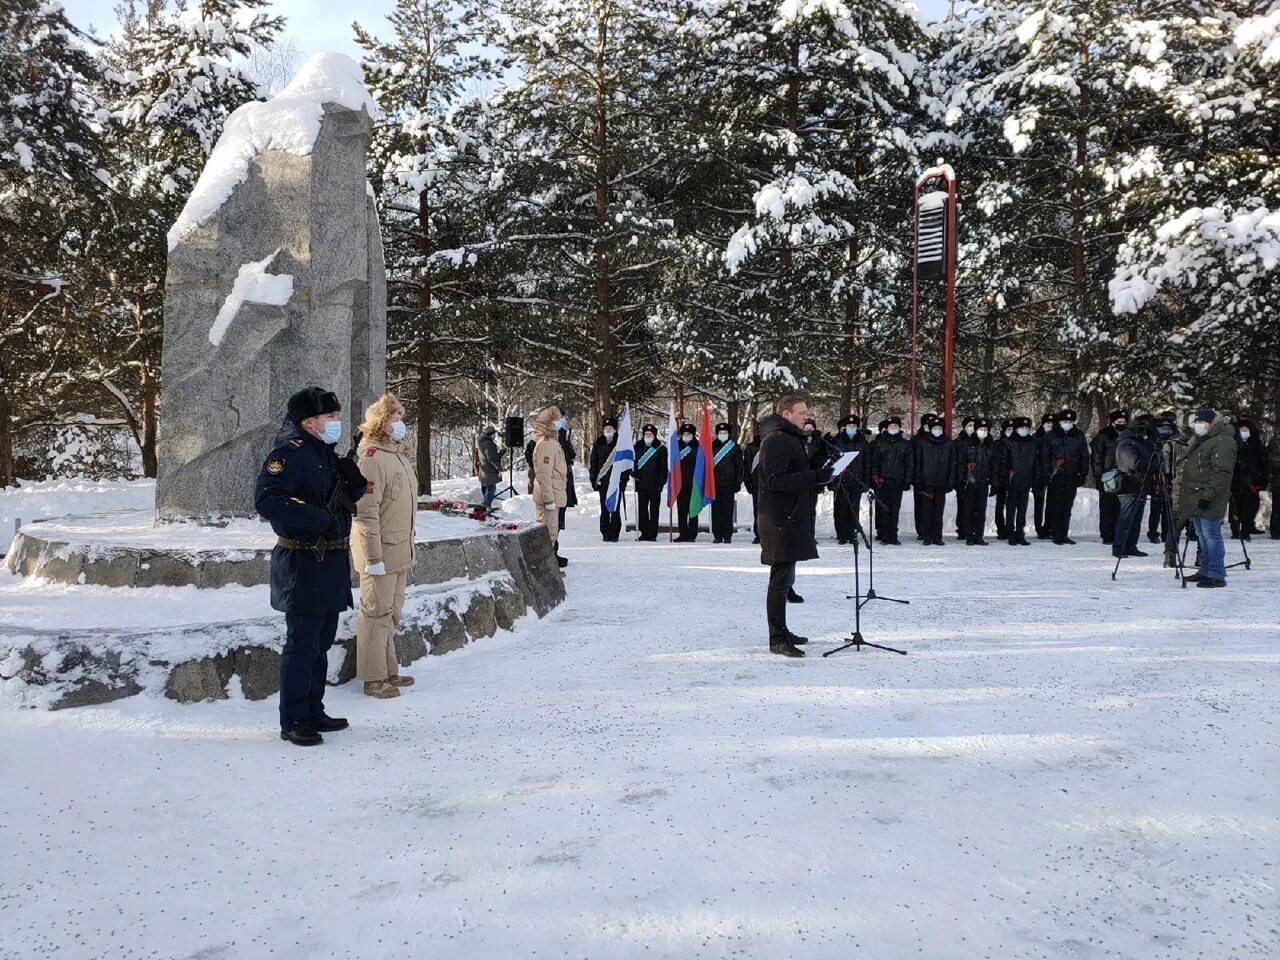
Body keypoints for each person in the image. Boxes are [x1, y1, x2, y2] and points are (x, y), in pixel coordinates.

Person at [255, 386, 368, 747]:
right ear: (308, 421)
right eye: (329, 417)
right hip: (302, 560)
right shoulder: (288, 454)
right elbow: (268, 500)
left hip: (330, 560)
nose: (336, 422)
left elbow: (336, 501)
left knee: (321, 644)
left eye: (336, 416)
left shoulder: (326, 454)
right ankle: (293, 718)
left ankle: (314, 709)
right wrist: (317, 519)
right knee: (301, 644)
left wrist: (355, 488)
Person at [351, 393, 419, 700]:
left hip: (399, 548)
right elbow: (366, 512)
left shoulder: (396, 454)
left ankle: (389, 671)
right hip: (380, 552)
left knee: (391, 614)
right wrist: (373, 556)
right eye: (395, 418)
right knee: (376, 614)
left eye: (401, 417)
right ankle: (373, 678)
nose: (401, 423)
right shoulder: (372, 458)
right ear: (381, 422)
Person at [757, 396, 834, 657]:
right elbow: (775, 480)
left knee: (786, 579)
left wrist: (820, 462)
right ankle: (777, 639)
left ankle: (783, 631)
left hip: (789, 517)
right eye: (801, 412)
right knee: (780, 580)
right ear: (786, 414)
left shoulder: (789, 437)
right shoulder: (777, 439)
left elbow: (797, 471)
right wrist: (816, 476)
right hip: (779, 519)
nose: (805, 416)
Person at [1177, 408, 1236, 587]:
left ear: (1212, 424)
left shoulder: (1223, 441)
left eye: (1203, 423)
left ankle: (1217, 574)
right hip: (1197, 494)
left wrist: (1208, 494)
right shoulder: (1204, 440)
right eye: (1198, 422)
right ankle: (1205, 570)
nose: (1199, 426)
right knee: (1202, 536)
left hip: (1210, 496)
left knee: (1211, 536)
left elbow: (1222, 472)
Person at [1111, 414, 1161, 560]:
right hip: (1128, 485)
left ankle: (1131, 545)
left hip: (1141, 484)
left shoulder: (1141, 442)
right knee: (1126, 518)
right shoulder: (1126, 443)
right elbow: (1135, 463)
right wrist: (1153, 466)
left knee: (1136, 518)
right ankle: (1119, 547)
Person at [530, 406, 570, 568]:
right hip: (550, 496)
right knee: (548, 533)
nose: (562, 422)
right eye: (558, 420)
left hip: (554, 493)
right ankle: (545, 568)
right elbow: (544, 474)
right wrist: (548, 500)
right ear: (550, 423)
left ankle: (548, 567)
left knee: (551, 532)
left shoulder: (551, 441)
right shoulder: (547, 444)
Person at [1042, 408, 1089, 545]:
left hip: (1072, 474)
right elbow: (1045, 457)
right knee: (1055, 505)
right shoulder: (1051, 436)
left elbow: (1084, 455)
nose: (1067, 423)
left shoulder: (1078, 435)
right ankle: (1055, 533)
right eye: (1064, 421)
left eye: (1070, 421)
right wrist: (1046, 473)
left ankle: (1064, 533)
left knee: (1067, 506)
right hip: (1056, 475)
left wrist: (1083, 473)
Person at [997, 416, 1038, 545]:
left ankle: (1020, 533)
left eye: (1026, 428)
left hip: (1026, 480)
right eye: (1021, 427)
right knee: (1011, 508)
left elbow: (1036, 462)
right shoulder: (1008, 443)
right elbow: (1003, 463)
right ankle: (1010, 534)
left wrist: (1036, 479)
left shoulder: (1032, 442)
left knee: (1022, 508)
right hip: (1012, 481)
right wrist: (1005, 479)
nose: (1024, 430)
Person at [871, 416, 912, 545]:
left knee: (895, 510)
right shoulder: (880, 443)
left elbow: (909, 464)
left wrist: (907, 480)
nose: (893, 428)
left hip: (898, 482)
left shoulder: (905, 444)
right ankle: (884, 536)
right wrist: (875, 478)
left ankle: (893, 535)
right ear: (887, 428)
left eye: (895, 426)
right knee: (883, 510)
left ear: (899, 428)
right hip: (883, 482)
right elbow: (875, 463)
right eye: (891, 426)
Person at [829, 414, 869, 545]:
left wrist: (865, 481)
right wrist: (833, 480)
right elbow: (832, 461)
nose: (852, 428)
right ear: (844, 427)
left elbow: (866, 462)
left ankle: (853, 533)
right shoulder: (837, 441)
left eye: (854, 426)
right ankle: (842, 534)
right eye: (849, 426)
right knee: (841, 508)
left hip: (856, 480)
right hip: (841, 480)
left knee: (854, 508)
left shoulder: (862, 442)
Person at [914, 417, 954, 546]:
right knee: (926, 511)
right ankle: (926, 536)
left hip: (941, 482)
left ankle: (937, 536)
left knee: (938, 511)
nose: (937, 430)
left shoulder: (948, 443)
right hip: (927, 482)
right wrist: (918, 481)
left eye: (940, 428)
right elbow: (918, 464)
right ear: (930, 430)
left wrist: (950, 481)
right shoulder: (923, 443)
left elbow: (952, 464)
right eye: (935, 428)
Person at [955, 417, 994, 545]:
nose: (983, 431)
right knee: (968, 510)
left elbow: (994, 465)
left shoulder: (990, 445)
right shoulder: (967, 444)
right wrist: (961, 482)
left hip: (983, 482)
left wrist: (993, 482)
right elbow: (961, 464)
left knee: (981, 511)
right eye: (981, 429)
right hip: (969, 482)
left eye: (985, 429)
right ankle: (969, 535)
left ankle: (979, 535)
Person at [1091, 409, 1128, 545]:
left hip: (1124, 475)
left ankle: (1119, 533)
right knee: (1107, 507)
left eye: (1124, 422)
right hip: (1107, 476)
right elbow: (1096, 458)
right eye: (1119, 422)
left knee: (1121, 507)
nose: (1122, 424)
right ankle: (1107, 534)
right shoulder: (1103, 436)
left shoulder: (1128, 435)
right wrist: (1099, 476)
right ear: (1113, 423)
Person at [589, 417, 627, 542]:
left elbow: (626, 464)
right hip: (603, 480)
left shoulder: (620, 444)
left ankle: (615, 532)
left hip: (616, 481)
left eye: (610, 428)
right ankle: (605, 532)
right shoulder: (599, 443)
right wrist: (594, 479)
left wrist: (624, 480)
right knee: (604, 507)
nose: (608, 430)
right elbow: (594, 462)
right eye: (606, 428)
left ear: (615, 430)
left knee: (615, 507)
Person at [1229, 418, 1268, 540]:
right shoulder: (1233, 444)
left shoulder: (1256, 445)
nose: (1244, 431)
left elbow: (1263, 464)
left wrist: (1260, 481)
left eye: (1246, 429)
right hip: (1236, 481)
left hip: (1251, 482)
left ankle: (1246, 531)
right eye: (1242, 429)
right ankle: (1235, 531)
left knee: (1249, 509)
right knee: (1235, 508)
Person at [632, 423, 668, 541]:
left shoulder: (660, 448)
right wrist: (633, 473)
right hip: (641, 483)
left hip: (655, 485)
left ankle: (652, 534)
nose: (648, 436)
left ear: (654, 435)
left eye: (650, 434)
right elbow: (633, 463)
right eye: (646, 434)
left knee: (654, 510)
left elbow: (663, 468)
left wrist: (661, 483)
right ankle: (644, 532)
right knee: (642, 510)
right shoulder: (637, 447)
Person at [710, 422, 744, 543]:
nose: (722, 434)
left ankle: (727, 535)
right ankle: (717, 535)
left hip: (729, 483)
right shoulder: (711, 447)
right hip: (714, 484)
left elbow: (739, 467)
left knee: (727, 511)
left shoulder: (734, 447)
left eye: (724, 433)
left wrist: (738, 482)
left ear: (728, 434)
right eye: (720, 432)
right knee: (716, 511)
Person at [912, 413, 937, 540]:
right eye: (927, 424)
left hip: (933, 478)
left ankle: (932, 530)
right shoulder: (917, 439)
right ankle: (921, 530)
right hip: (920, 477)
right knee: (920, 506)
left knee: (934, 507)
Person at [674, 423, 701, 541]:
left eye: (688, 434)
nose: (686, 436)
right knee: (682, 510)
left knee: (693, 509)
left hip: (694, 483)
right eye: (684, 434)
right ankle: (683, 533)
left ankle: (692, 534)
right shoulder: (676, 447)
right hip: (680, 483)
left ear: (693, 435)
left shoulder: (699, 447)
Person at [1032, 413, 1055, 538]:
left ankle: (1049, 527)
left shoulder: (1055, 437)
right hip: (1038, 474)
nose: (1049, 426)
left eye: (1052, 424)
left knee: (1051, 502)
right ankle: (1039, 528)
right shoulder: (1036, 437)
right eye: (1047, 424)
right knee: (1039, 502)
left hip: (1052, 473)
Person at [993, 419, 1015, 539]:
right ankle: (1001, 529)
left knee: (1012, 505)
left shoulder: (1017, 443)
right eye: (1008, 429)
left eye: (1012, 429)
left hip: (1014, 479)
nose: (1011, 432)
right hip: (1002, 479)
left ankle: (1011, 528)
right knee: (1000, 505)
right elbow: (995, 463)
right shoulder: (997, 445)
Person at [743, 426, 762, 544]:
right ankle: (759, 533)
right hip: (756, 484)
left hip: (772, 484)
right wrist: (747, 481)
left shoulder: (775, 444)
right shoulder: (751, 447)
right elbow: (747, 465)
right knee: (758, 511)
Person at [477, 425, 502, 508]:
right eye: (494, 434)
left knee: (485, 486)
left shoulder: (482, 442)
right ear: (491, 434)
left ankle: (485, 504)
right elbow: (491, 458)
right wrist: (499, 468)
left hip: (484, 469)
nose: (495, 436)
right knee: (491, 488)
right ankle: (486, 505)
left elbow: (488, 455)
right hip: (489, 469)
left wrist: (500, 454)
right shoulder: (488, 443)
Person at [1269, 424, 1280, 540]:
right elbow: (1273, 460)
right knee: (1277, 508)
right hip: (1278, 480)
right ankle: (1276, 531)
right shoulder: (1274, 444)